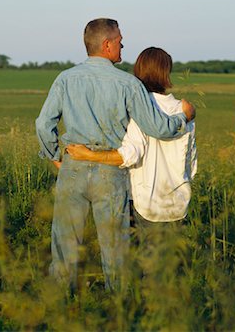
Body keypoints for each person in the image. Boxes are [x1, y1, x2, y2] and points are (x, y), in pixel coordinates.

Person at [35, 18, 196, 291]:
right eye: (120, 41)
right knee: (114, 247)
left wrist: (55, 157)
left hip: (73, 164)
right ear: (107, 44)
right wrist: (184, 117)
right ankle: (117, 306)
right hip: (110, 170)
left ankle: (60, 304)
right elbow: (158, 128)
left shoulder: (65, 78)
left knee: (65, 242)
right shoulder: (128, 84)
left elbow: (43, 124)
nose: (123, 45)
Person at [67, 47, 197, 227]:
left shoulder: (137, 108)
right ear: (167, 72)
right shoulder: (185, 110)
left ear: (139, 71)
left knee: (142, 255)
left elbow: (130, 155)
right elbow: (191, 165)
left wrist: (87, 155)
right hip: (179, 205)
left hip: (145, 206)